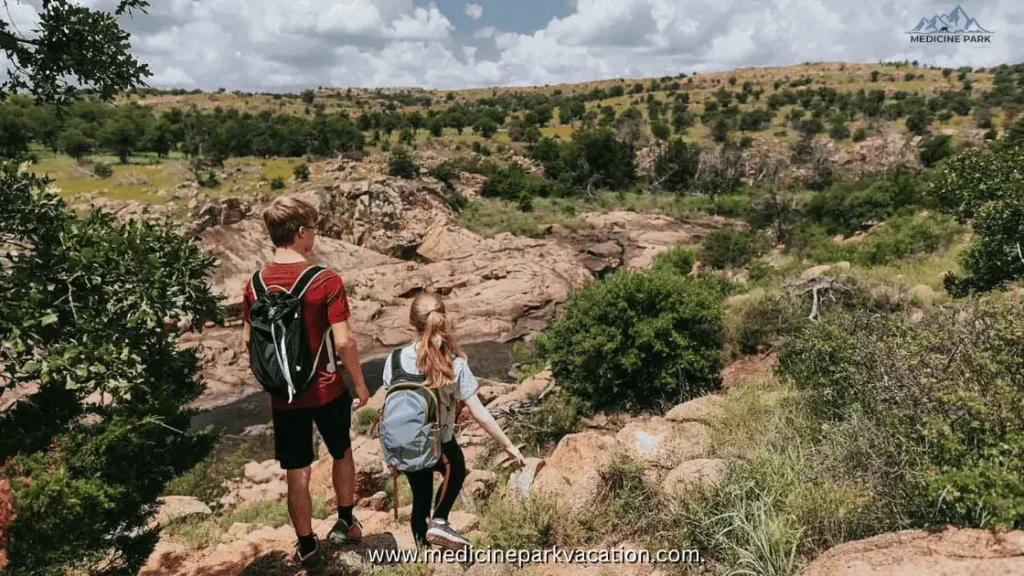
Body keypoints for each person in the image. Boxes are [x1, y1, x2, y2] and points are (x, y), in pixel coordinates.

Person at [241, 196, 370, 568]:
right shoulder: (325, 281)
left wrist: (276, 379)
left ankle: (307, 545)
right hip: (327, 388)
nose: (315, 234)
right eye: (313, 228)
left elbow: (249, 340)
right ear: (300, 233)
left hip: (284, 395)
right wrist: (360, 384)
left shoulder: (255, 284)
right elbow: (343, 341)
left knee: (296, 470)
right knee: (341, 452)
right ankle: (345, 522)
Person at [382, 292, 526, 551]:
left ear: (412, 324)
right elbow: (479, 412)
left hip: (406, 444)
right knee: (456, 469)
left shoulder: (394, 360)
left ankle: (423, 553)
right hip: (439, 443)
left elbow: (393, 404)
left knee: (420, 497)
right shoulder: (453, 364)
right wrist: (508, 444)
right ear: (444, 320)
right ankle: (440, 521)